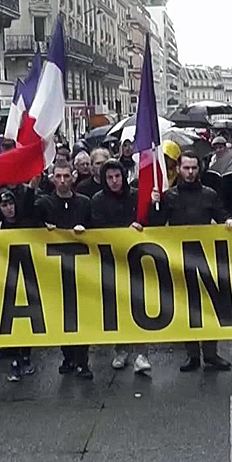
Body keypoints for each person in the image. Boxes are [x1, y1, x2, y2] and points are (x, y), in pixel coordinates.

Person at [149, 151, 232, 372]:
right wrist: (155, 204)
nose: (190, 172)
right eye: (186, 168)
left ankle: (211, 353)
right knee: (187, 307)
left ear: (199, 169)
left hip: (206, 257)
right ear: (178, 169)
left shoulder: (209, 194)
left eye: (193, 168)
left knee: (208, 306)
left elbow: (222, 215)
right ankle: (192, 354)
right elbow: (156, 225)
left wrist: (229, 221)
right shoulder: (169, 196)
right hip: (180, 258)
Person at [34, 159, 95, 379]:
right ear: (52, 178)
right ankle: (68, 357)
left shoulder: (85, 203)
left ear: (73, 177)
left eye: (66, 176)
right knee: (61, 315)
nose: (62, 181)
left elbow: (97, 230)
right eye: (58, 176)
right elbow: (28, 221)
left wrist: (86, 230)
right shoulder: (44, 204)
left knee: (82, 315)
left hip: (81, 269)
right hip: (55, 269)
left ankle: (82, 360)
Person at [91, 159, 152, 374]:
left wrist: (142, 223)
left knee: (140, 305)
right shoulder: (98, 200)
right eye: (110, 177)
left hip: (137, 259)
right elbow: (97, 227)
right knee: (117, 307)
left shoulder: (136, 196)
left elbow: (149, 221)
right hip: (112, 261)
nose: (114, 181)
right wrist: (124, 230)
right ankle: (121, 350)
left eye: (117, 176)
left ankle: (142, 353)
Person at [0, 188, 38, 381]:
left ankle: (25, 355)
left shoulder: (27, 222)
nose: (9, 208)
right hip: (6, 280)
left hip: (27, 279)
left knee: (27, 318)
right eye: (4, 205)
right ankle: (14, 356)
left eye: (11, 204)